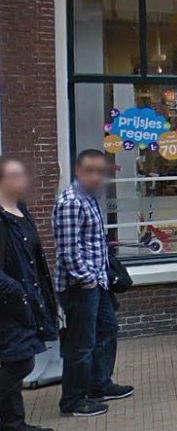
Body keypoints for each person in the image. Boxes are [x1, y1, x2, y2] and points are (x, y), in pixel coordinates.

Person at [53, 150, 133, 417]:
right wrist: (86, 280)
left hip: (98, 282)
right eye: (90, 171)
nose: (96, 176)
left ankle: (99, 385)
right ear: (78, 171)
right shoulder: (71, 202)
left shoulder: (90, 197)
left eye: (101, 171)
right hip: (81, 286)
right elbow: (68, 250)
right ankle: (73, 401)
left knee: (107, 330)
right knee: (81, 344)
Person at [0, 157, 58, 431]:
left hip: (28, 301)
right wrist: (15, 290)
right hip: (7, 305)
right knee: (20, 361)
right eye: (14, 175)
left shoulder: (21, 209)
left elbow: (34, 258)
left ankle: (13, 423)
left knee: (14, 360)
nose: (22, 180)